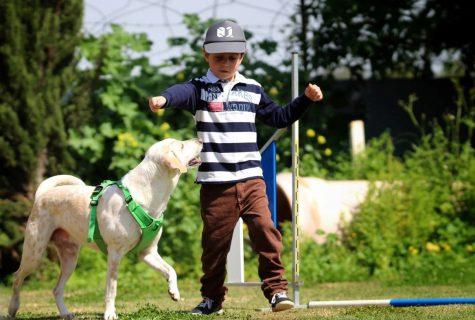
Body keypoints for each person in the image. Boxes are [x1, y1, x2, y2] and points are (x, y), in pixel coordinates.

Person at [148, 20, 323, 315]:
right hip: (216, 184)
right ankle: (212, 299)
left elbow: (279, 117)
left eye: (232, 57)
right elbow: (180, 92)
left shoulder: (252, 89)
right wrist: (164, 99)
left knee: (266, 230)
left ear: (241, 57)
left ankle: (277, 292)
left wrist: (304, 100)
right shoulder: (200, 89)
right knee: (215, 246)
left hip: (252, 179)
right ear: (206, 56)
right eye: (219, 58)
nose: (226, 63)